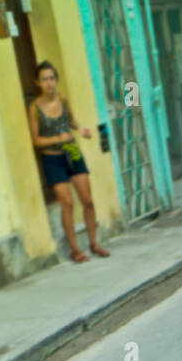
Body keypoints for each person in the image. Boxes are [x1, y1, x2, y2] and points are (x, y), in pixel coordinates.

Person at [28, 60, 110, 263]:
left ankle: (94, 243)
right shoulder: (35, 108)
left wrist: (80, 129)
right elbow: (36, 139)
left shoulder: (63, 99)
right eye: (44, 79)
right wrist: (58, 139)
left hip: (72, 153)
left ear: (56, 80)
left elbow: (70, 120)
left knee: (87, 200)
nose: (49, 83)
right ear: (38, 83)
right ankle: (75, 250)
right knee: (67, 203)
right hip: (52, 159)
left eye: (52, 78)